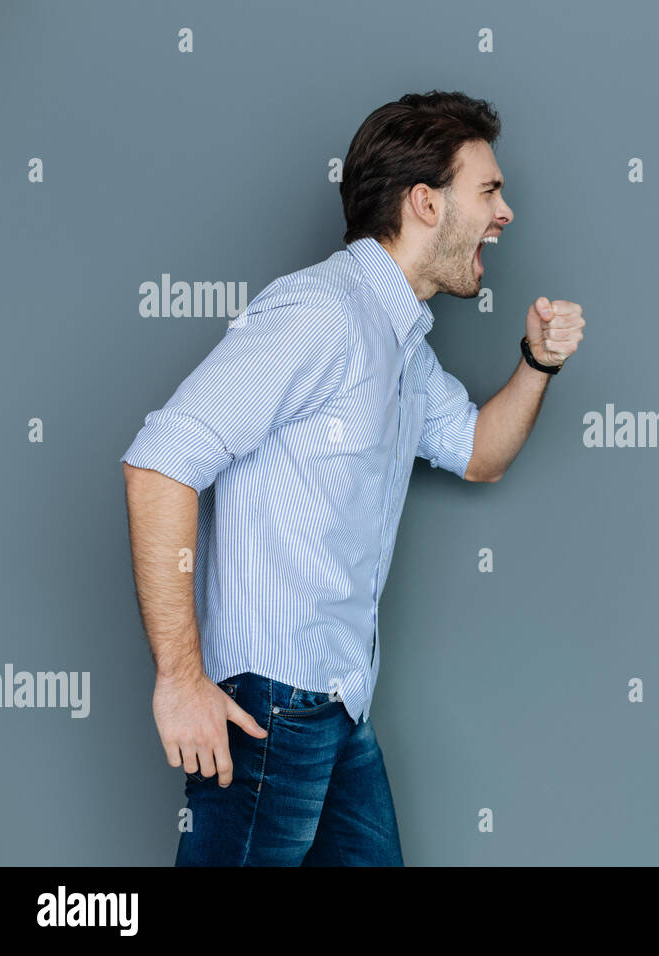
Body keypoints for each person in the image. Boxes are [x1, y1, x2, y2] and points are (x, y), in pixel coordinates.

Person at [119, 91, 585, 866]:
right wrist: (180, 681)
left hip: (337, 705)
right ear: (426, 203)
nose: (506, 214)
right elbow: (160, 464)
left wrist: (536, 362)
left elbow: (479, 451)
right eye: (490, 191)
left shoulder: (399, 341)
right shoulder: (322, 313)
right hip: (270, 706)